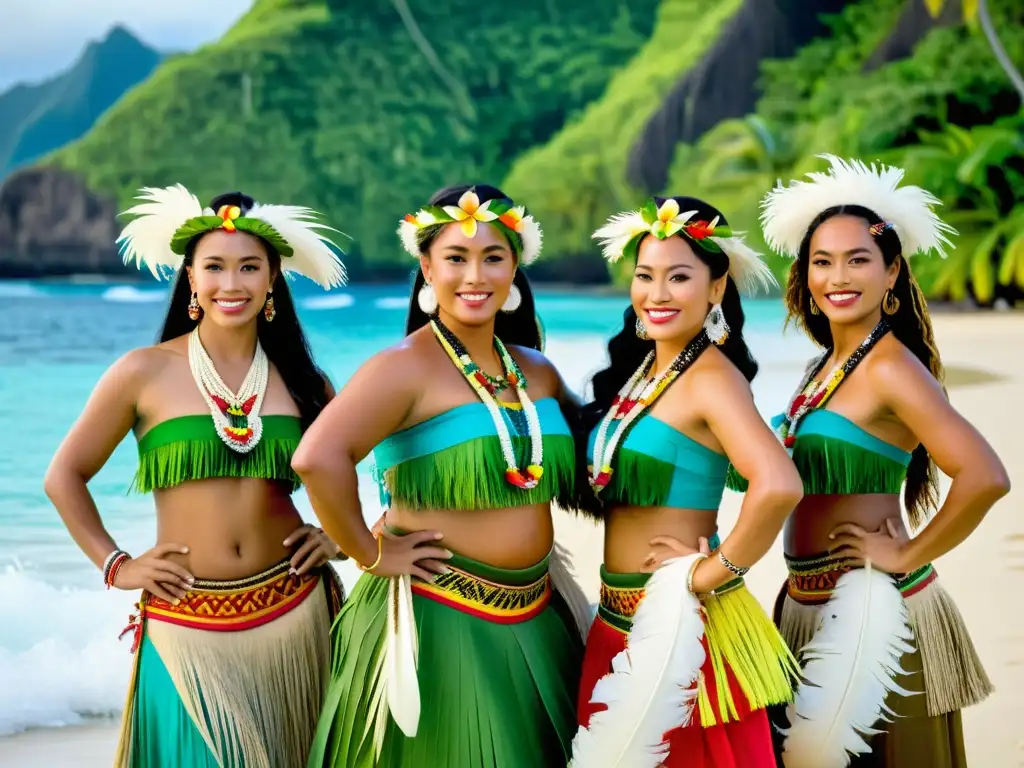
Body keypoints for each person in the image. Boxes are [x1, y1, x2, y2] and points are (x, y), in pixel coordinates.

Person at [43, 186, 349, 768]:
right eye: (214, 267)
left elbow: (367, 471)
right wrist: (117, 564)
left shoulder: (306, 381)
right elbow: (65, 476)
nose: (230, 284)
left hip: (296, 613)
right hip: (186, 620)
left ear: (272, 280)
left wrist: (340, 537)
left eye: (248, 268)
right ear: (189, 277)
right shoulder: (142, 372)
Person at [294, 184, 591, 768]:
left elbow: (599, 464)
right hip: (435, 623)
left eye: (493, 257)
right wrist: (368, 552)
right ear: (427, 266)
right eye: (456, 258)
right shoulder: (403, 368)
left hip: (537, 617)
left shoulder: (538, 371)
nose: (474, 275)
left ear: (515, 267)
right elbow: (317, 458)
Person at [757, 155, 1007, 768]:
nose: (837, 276)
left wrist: (906, 552)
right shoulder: (825, 365)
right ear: (805, 273)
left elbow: (986, 476)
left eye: (858, 259)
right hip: (806, 608)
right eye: (822, 261)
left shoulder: (891, 367)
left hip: (875, 617)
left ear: (892, 272)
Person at [570, 196, 803, 768]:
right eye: (645, 276)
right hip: (618, 621)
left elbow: (778, 484)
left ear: (716, 287)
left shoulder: (711, 377)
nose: (657, 294)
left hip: (684, 627)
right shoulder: (645, 374)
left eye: (679, 277)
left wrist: (715, 571)